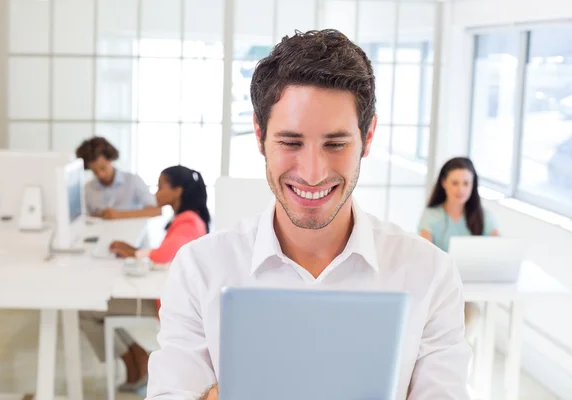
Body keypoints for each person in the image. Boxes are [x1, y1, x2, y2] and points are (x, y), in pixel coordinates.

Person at [146, 29, 470, 400]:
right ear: (258, 134)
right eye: (290, 142)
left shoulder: (429, 274)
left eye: (335, 144)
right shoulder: (199, 269)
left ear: (368, 136)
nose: (313, 172)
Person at [80, 165, 210, 392]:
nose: (155, 194)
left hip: (165, 304)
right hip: (165, 297)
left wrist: (134, 253)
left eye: (160, 187)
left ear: (177, 191)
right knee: (96, 310)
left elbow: (162, 256)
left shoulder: (189, 221)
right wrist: (134, 251)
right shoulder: (189, 217)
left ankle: (135, 357)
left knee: (87, 310)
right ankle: (136, 357)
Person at [418, 156, 499, 342]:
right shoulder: (431, 217)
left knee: (471, 316)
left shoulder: (483, 217)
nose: (460, 189)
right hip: (439, 294)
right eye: (455, 183)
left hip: (467, 293)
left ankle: (459, 365)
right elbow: (424, 256)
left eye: (466, 183)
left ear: (473, 185)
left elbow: (499, 248)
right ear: (444, 183)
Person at [75, 136, 161, 219]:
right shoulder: (88, 188)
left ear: (111, 159)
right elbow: (82, 219)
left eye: (103, 168)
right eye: (94, 171)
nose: (100, 174)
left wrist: (120, 215)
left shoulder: (133, 181)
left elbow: (156, 211)